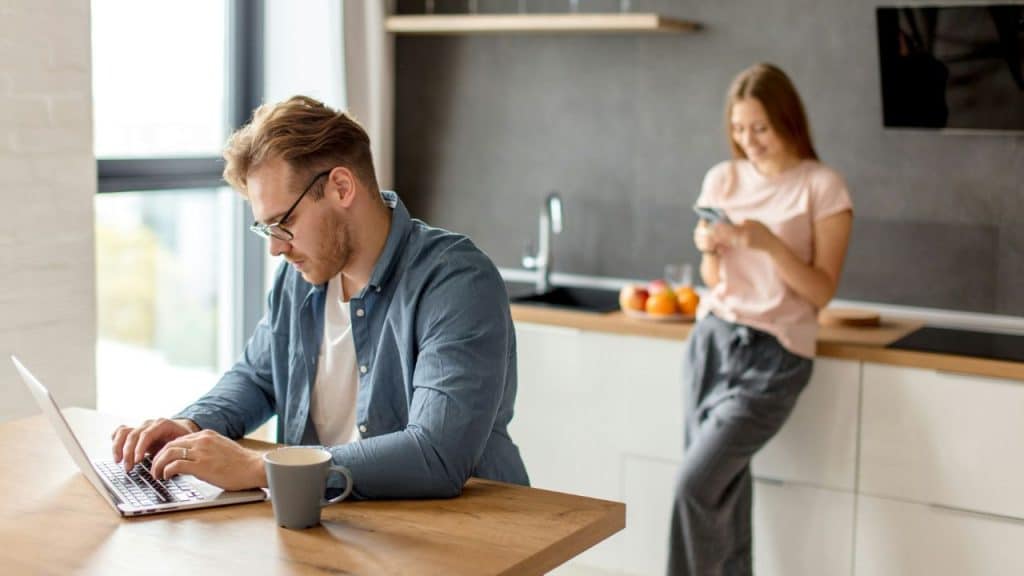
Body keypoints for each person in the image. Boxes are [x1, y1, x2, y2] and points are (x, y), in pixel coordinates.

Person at [110, 95, 529, 498]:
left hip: (461, 539)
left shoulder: (455, 280)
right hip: (333, 525)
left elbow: (436, 454)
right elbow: (258, 378)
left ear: (341, 188)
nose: (275, 247)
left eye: (284, 222)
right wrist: (190, 425)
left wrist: (261, 470)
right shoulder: (301, 277)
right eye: (266, 229)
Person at [668, 63, 853, 575]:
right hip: (713, 342)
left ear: (789, 121)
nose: (748, 140)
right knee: (724, 492)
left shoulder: (822, 187)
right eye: (738, 127)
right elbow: (713, 275)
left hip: (776, 354)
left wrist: (768, 243)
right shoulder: (721, 179)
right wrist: (708, 247)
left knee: (695, 485)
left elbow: (821, 292)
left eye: (761, 128)